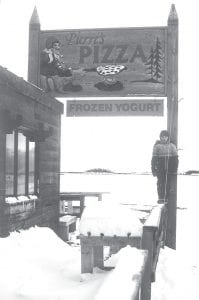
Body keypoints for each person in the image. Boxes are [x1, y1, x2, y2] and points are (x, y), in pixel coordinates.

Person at [151, 130, 178, 203]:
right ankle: (160, 198)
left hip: (170, 169)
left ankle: (166, 199)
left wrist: (174, 169)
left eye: (165, 137)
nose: (163, 138)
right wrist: (153, 169)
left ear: (168, 137)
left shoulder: (172, 146)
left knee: (168, 183)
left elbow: (176, 159)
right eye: (162, 137)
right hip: (160, 168)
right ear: (160, 138)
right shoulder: (157, 146)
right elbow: (154, 159)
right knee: (160, 183)